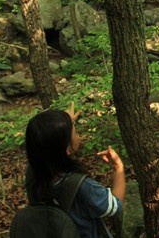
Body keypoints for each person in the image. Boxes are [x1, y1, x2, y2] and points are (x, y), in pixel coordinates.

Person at [24, 102, 125, 238]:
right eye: (74, 132)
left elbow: (45, 139)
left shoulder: (33, 172)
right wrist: (118, 167)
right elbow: (115, 207)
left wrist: (64, 123)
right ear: (67, 149)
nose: (78, 135)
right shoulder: (82, 187)